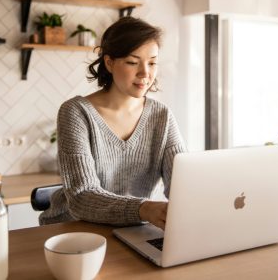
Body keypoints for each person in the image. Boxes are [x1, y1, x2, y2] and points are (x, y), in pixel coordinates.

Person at [39, 17, 186, 230]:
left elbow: (183, 185)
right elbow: (82, 196)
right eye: (132, 62)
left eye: (152, 62)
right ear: (109, 63)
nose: (145, 73)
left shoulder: (161, 116)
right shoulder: (76, 112)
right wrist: (143, 208)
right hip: (72, 231)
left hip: (131, 230)